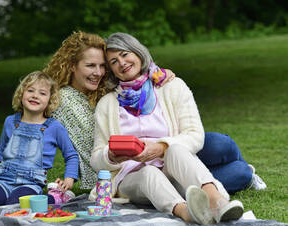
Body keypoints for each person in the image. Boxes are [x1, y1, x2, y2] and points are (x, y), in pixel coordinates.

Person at [44, 31, 266, 193]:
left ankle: (223, 176)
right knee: (239, 172)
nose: (99, 72)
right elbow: (94, 147)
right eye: (91, 66)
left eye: (102, 66)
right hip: (128, 167)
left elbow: (133, 78)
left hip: (166, 149)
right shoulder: (66, 100)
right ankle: (238, 177)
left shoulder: (108, 87)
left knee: (220, 144)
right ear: (72, 66)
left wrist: (160, 75)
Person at [88, 32, 245, 224]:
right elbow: (96, 158)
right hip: (131, 177)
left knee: (175, 149)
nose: (122, 62)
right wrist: (112, 155)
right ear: (111, 70)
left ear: (138, 52)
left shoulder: (172, 86)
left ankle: (216, 202)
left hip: (172, 169)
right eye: (114, 61)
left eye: (125, 54)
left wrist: (161, 147)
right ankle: (188, 213)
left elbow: (195, 135)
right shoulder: (107, 104)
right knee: (149, 173)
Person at [0, 71, 79, 206]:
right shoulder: (10, 122)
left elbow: (71, 156)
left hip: (30, 184)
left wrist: (69, 180)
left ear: (50, 100)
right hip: (2, 180)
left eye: (42, 93)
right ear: (21, 94)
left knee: (17, 206)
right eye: (30, 90)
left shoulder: (54, 127)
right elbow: (2, 151)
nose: (35, 96)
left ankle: (57, 197)